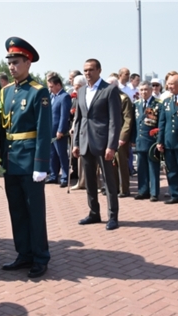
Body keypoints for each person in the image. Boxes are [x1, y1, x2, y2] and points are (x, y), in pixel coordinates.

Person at [0, 37, 51, 279]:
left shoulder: (38, 92)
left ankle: (40, 257)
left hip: (30, 161)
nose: (12, 67)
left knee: (34, 212)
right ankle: (24, 253)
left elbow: (44, 131)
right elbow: (2, 130)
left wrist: (41, 165)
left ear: (28, 63)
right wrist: (1, 161)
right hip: (12, 161)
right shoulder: (6, 92)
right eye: (9, 62)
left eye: (16, 62)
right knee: (17, 210)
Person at [72, 59, 122, 230]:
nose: (87, 73)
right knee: (90, 181)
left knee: (108, 182)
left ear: (99, 70)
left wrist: (111, 145)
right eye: (85, 70)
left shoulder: (109, 90)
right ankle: (94, 213)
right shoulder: (82, 91)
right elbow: (78, 120)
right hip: (85, 142)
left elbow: (115, 121)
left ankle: (113, 216)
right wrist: (76, 143)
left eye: (91, 70)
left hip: (103, 143)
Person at [132, 81, 162, 201]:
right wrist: (133, 138)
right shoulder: (136, 104)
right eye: (142, 90)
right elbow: (134, 124)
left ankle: (154, 192)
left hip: (152, 141)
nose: (144, 92)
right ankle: (143, 191)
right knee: (141, 167)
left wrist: (159, 140)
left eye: (146, 89)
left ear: (151, 90)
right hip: (140, 140)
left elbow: (160, 124)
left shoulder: (157, 104)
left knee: (153, 167)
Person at [104, 77, 133, 197]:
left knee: (121, 163)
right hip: (108, 135)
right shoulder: (106, 97)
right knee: (110, 163)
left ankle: (124, 189)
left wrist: (123, 137)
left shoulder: (124, 98)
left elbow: (128, 120)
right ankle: (113, 188)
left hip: (120, 136)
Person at [157, 73, 178, 204]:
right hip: (168, 141)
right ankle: (176, 194)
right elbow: (162, 123)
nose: (169, 86)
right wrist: (159, 141)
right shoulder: (167, 101)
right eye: (168, 84)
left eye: (172, 84)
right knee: (171, 170)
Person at [45, 74, 71, 187]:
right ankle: (53, 175)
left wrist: (60, 130)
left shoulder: (64, 97)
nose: (50, 88)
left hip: (58, 131)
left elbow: (64, 116)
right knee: (52, 154)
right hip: (50, 130)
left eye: (51, 86)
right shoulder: (51, 96)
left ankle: (65, 177)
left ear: (58, 85)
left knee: (61, 154)